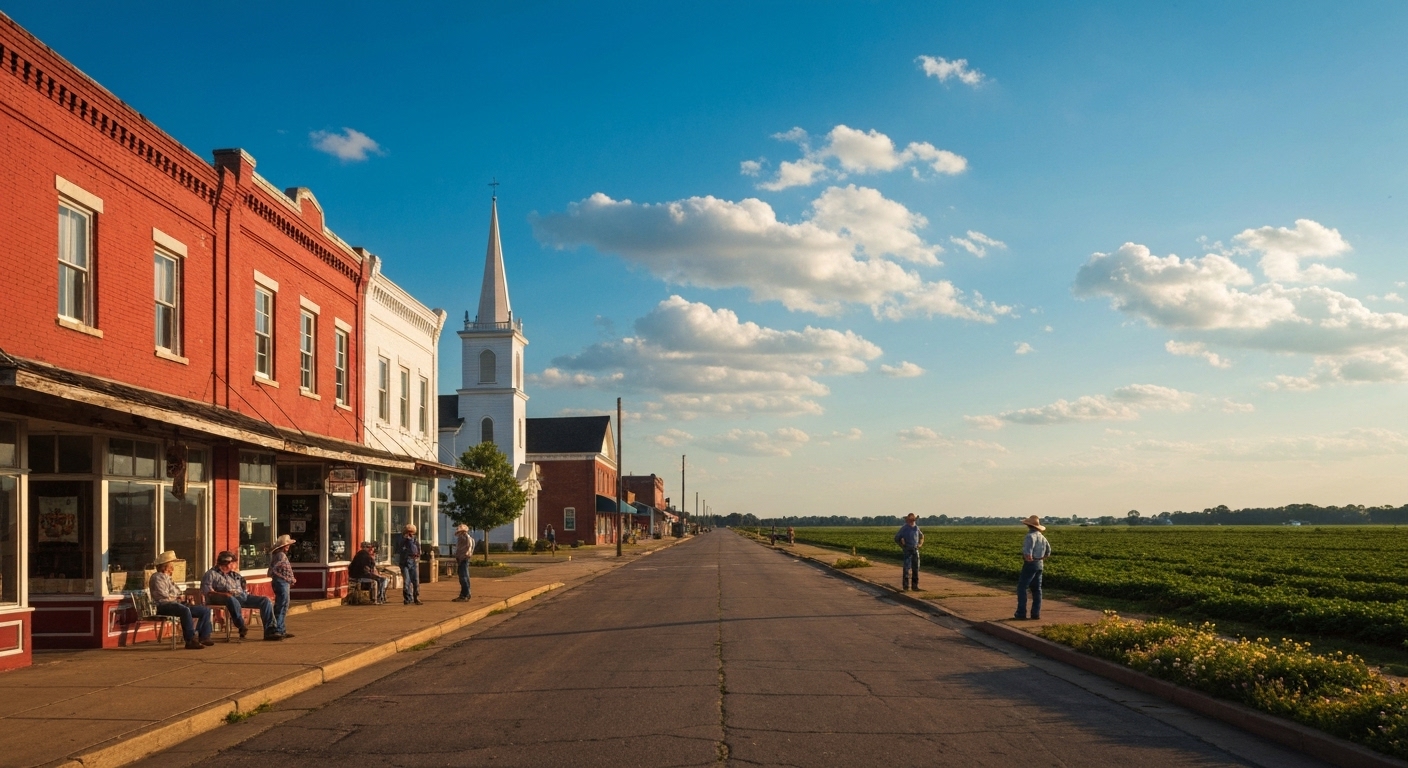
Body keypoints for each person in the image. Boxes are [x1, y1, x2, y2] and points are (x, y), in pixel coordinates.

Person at [201, 551, 277, 640]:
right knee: (231, 599)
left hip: (241, 596)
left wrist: (244, 586)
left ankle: (270, 631)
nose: (236, 564)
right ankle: (241, 625)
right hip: (221, 598)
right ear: (228, 563)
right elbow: (207, 592)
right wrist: (224, 594)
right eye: (234, 563)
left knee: (265, 600)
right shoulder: (211, 574)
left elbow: (242, 584)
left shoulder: (234, 574)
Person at [149, 550, 212, 650]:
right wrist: (178, 597)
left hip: (176, 604)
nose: (173, 567)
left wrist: (184, 596)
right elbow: (163, 595)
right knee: (184, 610)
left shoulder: (168, 578)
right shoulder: (157, 577)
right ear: (166, 566)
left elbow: (177, 592)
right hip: (163, 605)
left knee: (204, 610)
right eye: (172, 564)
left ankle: (203, 636)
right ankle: (190, 640)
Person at [1015, 515, 1051, 620]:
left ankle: (1021, 613)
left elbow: (1027, 553)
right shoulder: (1042, 537)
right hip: (1040, 563)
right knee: (1037, 589)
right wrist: (1041, 558)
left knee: (1022, 587)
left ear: (1029, 525)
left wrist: (1029, 559)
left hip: (1031, 563)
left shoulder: (1030, 536)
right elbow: (1048, 552)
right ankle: (1035, 614)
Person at [267, 534, 296, 639]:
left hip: (282, 582)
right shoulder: (281, 555)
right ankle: (278, 630)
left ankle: (281, 629)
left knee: (283, 605)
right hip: (281, 583)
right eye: (287, 545)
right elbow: (273, 570)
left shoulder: (278, 555)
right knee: (282, 605)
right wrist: (286, 579)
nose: (288, 547)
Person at [893, 513, 924, 591]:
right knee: (906, 568)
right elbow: (896, 538)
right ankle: (906, 587)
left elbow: (922, 536)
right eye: (910, 520)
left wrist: (920, 544)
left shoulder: (916, 528)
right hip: (907, 550)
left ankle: (915, 586)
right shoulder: (904, 528)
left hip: (915, 550)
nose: (912, 521)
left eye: (913, 520)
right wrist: (902, 544)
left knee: (916, 568)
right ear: (907, 520)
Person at [400, 523, 423, 605]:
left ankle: (416, 597)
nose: (410, 534)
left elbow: (418, 549)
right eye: (408, 532)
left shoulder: (415, 540)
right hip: (406, 561)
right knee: (407, 581)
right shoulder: (403, 540)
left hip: (414, 560)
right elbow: (400, 550)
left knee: (415, 580)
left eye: (412, 532)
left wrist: (418, 556)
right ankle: (408, 598)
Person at [453, 523, 474, 602]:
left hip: (463, 559)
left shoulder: (466, 538)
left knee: (464, 577)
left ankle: (465, 594)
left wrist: (463, 556)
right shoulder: (463, 538)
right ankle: (464, 594)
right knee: (463, 577)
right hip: (462, 558)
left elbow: (468, 549)